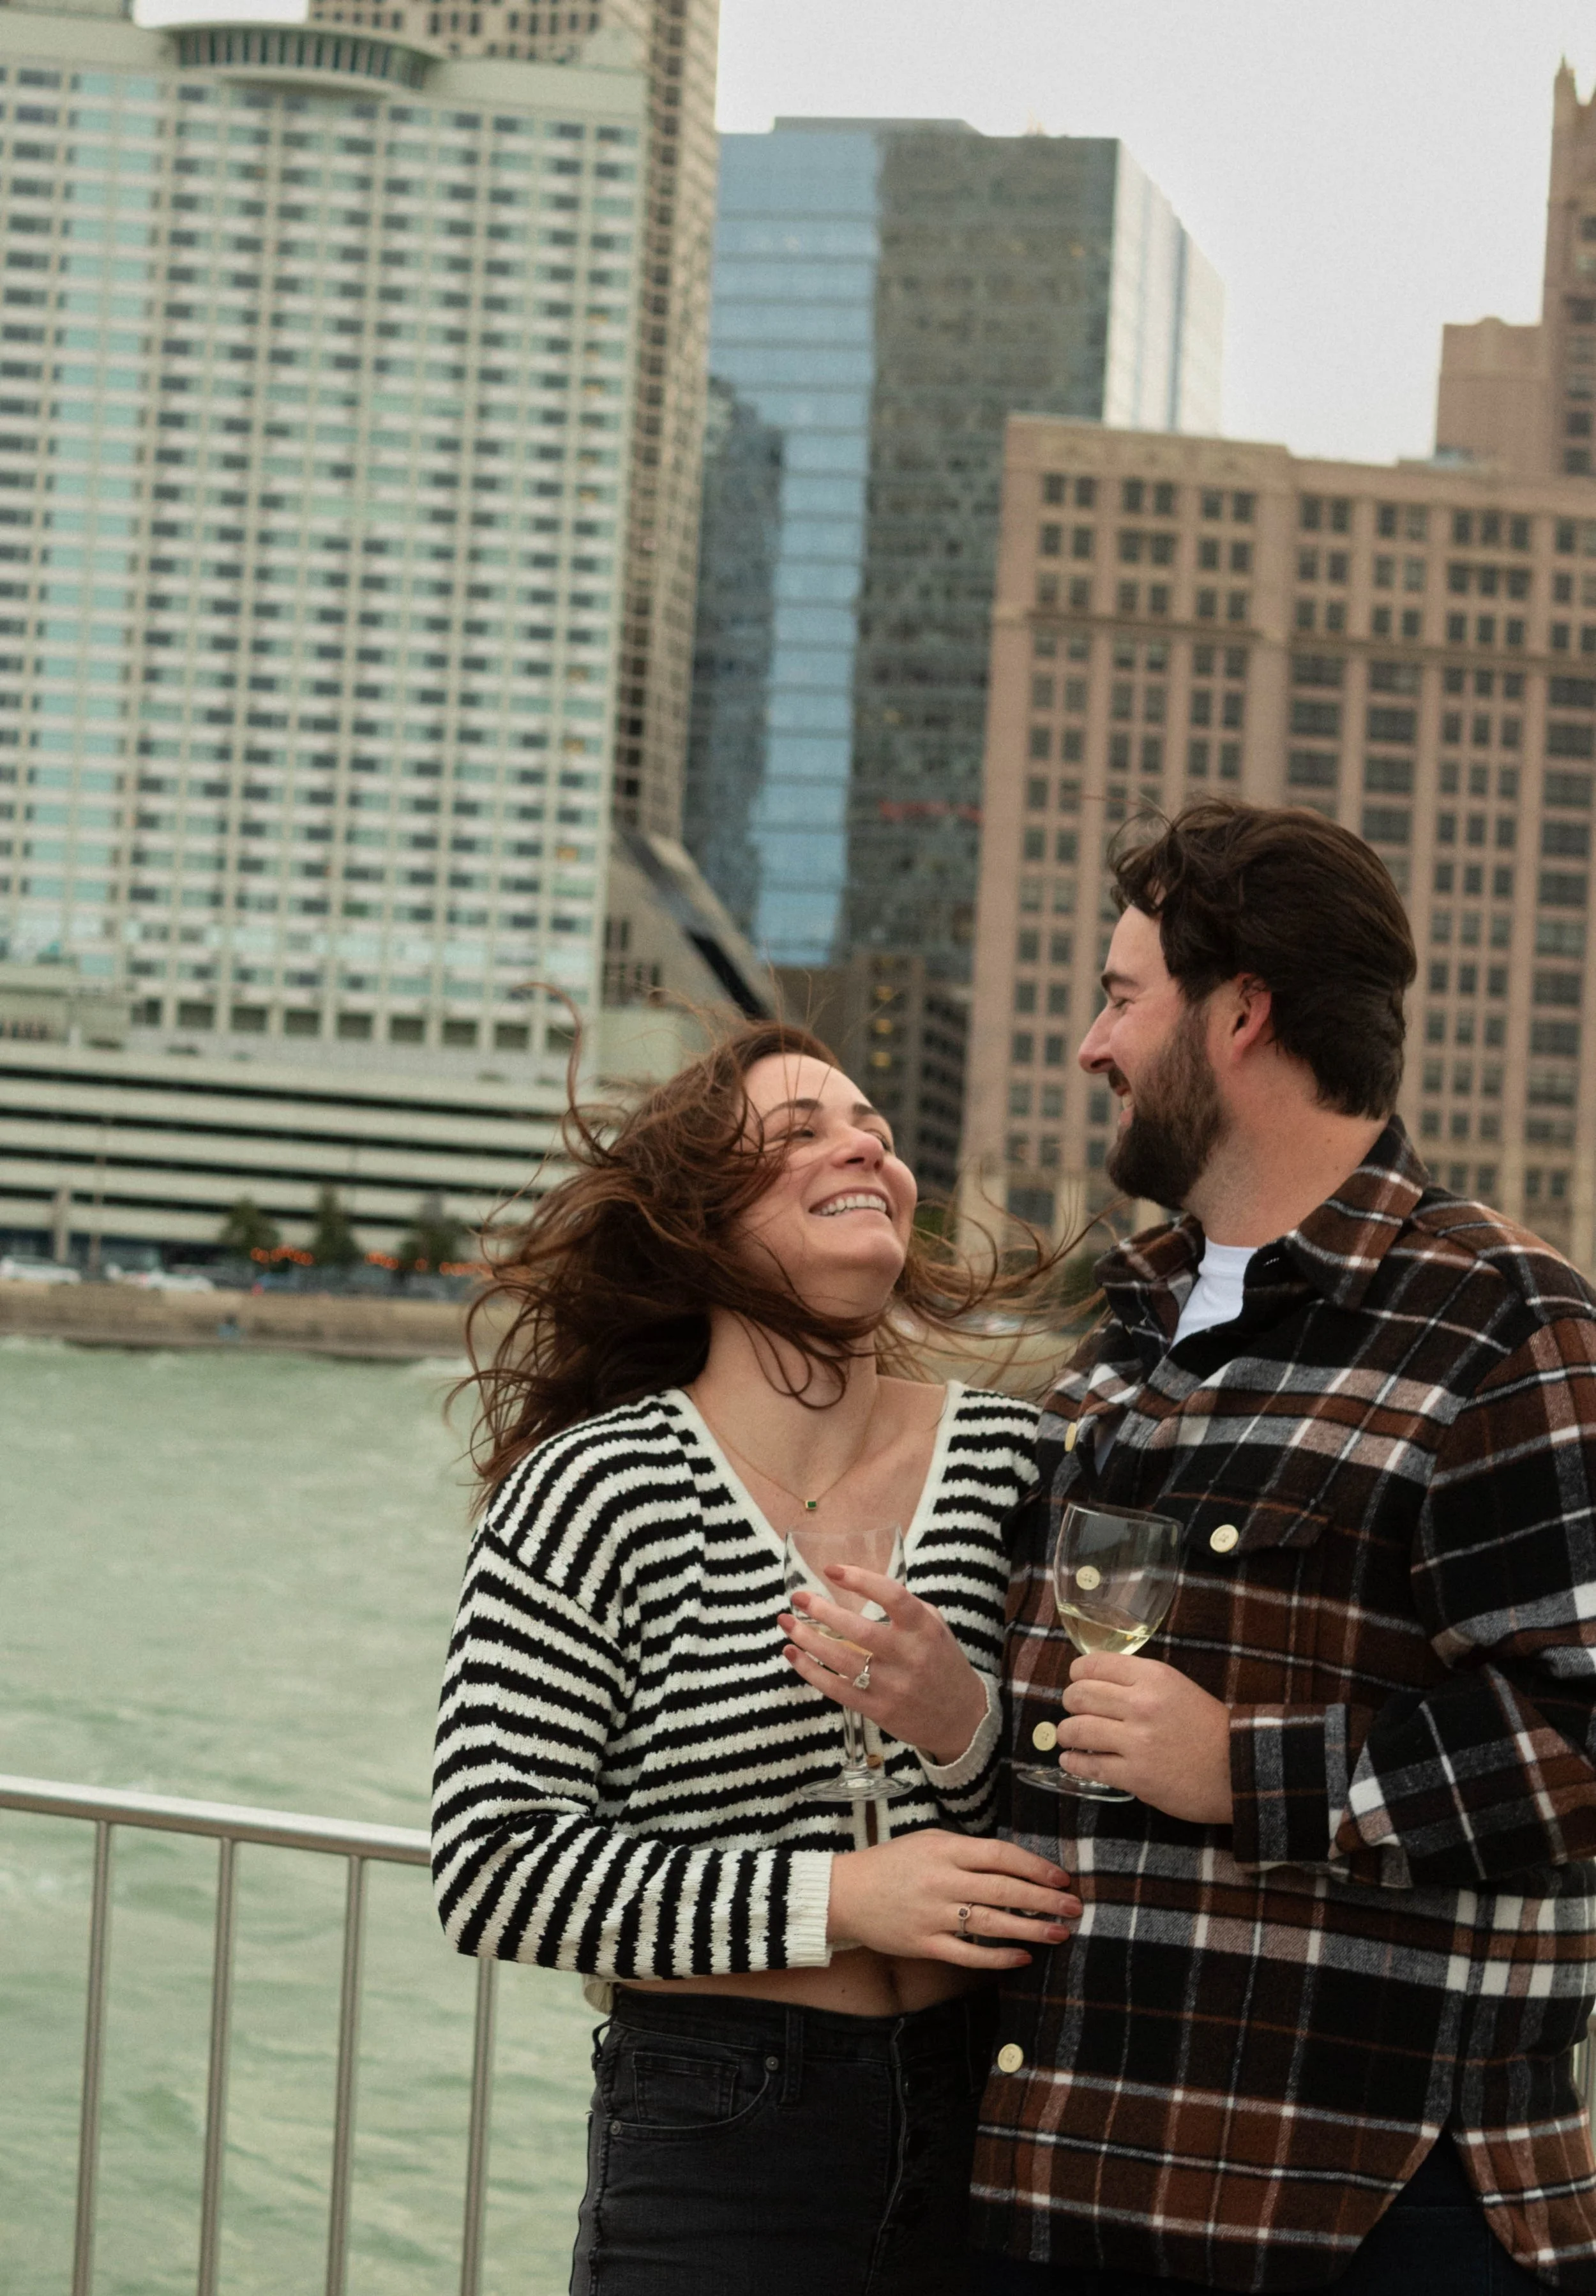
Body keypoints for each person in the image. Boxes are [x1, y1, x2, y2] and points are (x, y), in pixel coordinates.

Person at [971, 800, 1596, 2296]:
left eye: (1120, 996)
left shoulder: (1502, 1320)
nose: (1089, 1044)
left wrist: (1247, 1772)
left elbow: (1581, 1726)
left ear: (1240, 1012)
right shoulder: (1117, 1337)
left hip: (1361, 2217)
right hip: (1064, 2190)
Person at [430, 1019, 1080, 2295]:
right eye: (801, 1131)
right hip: (714, 2132)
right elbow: (494, 1865)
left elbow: (1089, 1816)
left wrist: (964, 1725)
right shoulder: (595, 1489)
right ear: (696, 1218)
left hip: (996, 2118)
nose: (864, 1148)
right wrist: (843, 1899)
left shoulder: (1018, 1462)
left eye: (875, 1133)